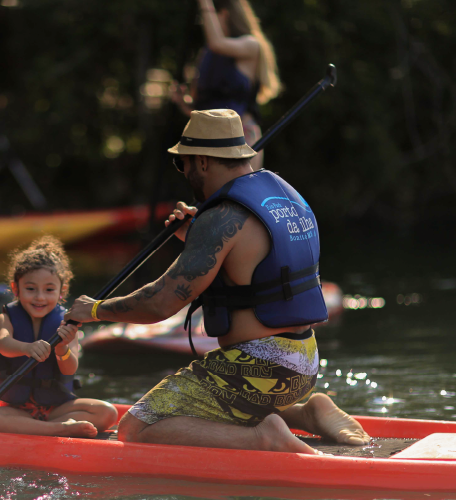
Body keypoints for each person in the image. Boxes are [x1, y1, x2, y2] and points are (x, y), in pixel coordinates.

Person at [66, 109, 369, 454]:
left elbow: (160, 303)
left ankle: (264, 438)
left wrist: (95, 310)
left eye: (184, 164)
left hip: (260, 367)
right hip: (305, 361)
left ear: (203, 162)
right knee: (216, 406)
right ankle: (306, 413)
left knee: (136, 428)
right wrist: (194, 236)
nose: (185, 173)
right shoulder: (284, 196)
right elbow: (253, 261)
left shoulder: (222, 217)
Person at [0, 236, 118, 437]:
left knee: (108, 412)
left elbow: (70, 367)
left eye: (49, 289)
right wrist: (26, 348)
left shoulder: (69, 322)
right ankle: (59, 429)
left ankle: (42, 428)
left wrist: (62, 349)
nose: (40, 297)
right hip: (18, 409)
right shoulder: (5, 317)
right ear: (16, 288)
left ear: (62, 291)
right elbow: (3, 344)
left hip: (57, 409)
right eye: (30, 289)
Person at [171, 0, 281, 171]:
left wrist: (204, 3)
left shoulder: (251, 44)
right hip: (209, 140)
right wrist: (183, 102)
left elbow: (217, 43)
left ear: (224, 14)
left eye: (210, 16)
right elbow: (200, 106)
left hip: (240, 138)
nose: (206, 23)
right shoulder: (207, 54)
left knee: (238, 194)